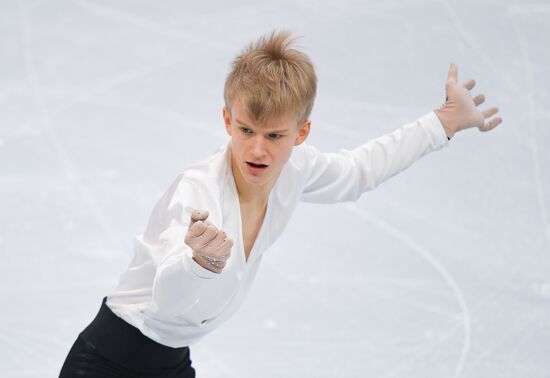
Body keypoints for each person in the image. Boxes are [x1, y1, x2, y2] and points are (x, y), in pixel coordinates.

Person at [59, 29, 502, 377]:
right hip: (108, 361)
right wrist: (197, 263)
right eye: (247, 130)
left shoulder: (295, 169)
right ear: (228, 120)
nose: (257, 150)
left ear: (301, 133)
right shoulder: (198, 194)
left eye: (275, 136)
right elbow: (165, 305)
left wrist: (442, 122)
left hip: (171, 362)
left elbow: (357, 172)